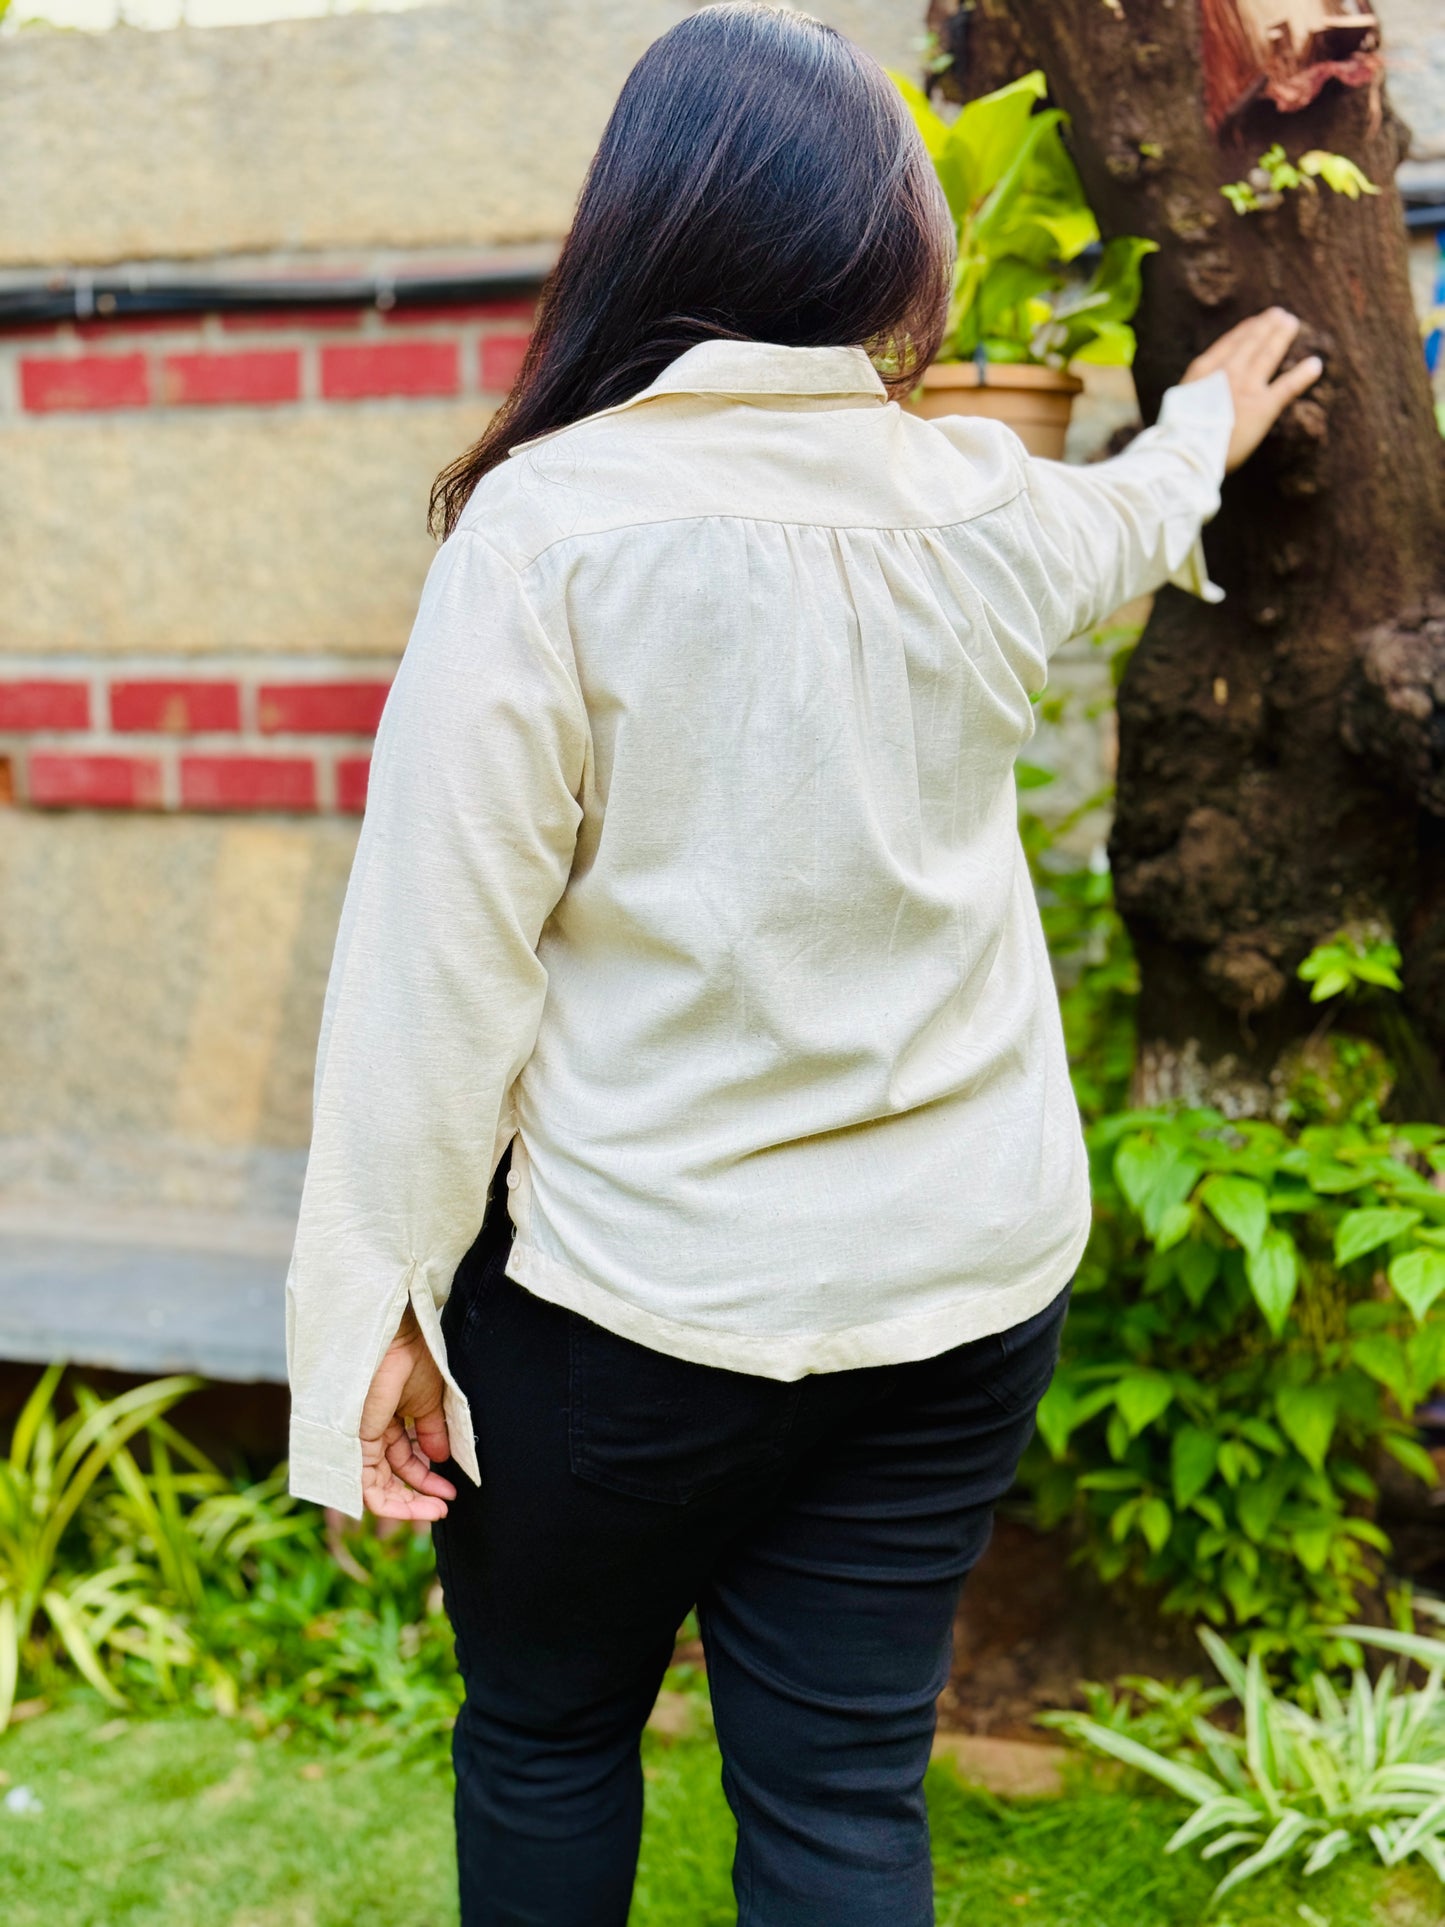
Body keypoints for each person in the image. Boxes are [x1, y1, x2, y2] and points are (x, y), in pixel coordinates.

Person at [284, 6, 1322, 1922]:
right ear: (881, 250)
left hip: (630, 1304)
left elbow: (438, 968)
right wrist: (1202, 426)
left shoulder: (550, 534)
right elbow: (1120, 522)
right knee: (844, 1801)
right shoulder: (972, 506)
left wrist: (376, 1308)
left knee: (544, 1734)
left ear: (648, 230)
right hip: (952, 1289)